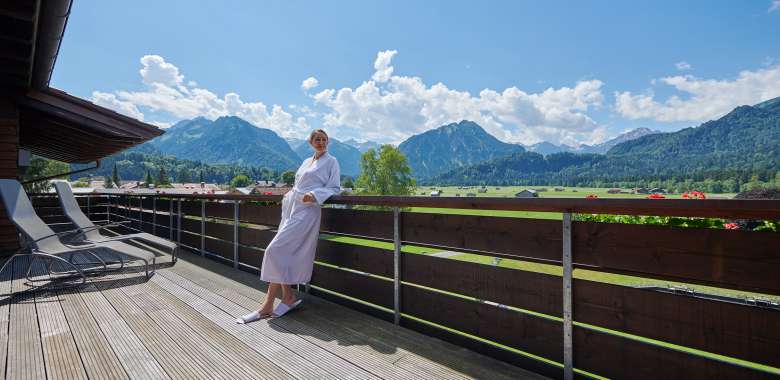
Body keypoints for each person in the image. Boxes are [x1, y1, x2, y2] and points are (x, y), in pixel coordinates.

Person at [236, 129, 340, 323]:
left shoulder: (331, 162)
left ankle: (267, 305)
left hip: (308, 211)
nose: (321, 142)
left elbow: (334, 187)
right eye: (317, 139)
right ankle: (288, 297)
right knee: (282, 252)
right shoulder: (305, 162)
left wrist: (316, 195)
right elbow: (299, 184)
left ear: (328, 142)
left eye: (324, 139)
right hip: (292, 208)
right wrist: (289, 193)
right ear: (310, 142)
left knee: (274, 251)